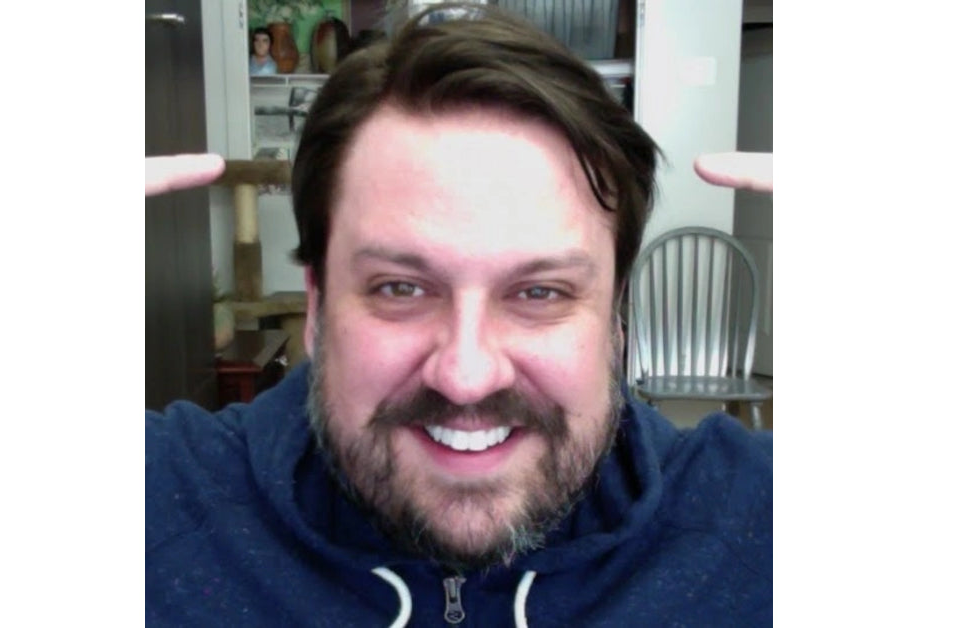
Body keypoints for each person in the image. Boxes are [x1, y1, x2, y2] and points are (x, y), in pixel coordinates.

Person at [147, 5, 772, 626]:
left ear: (615, 319)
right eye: (400, 288)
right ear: (316, 305)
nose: (466, 378)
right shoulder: (162, 509)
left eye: (540, 293)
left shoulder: (753, 529)